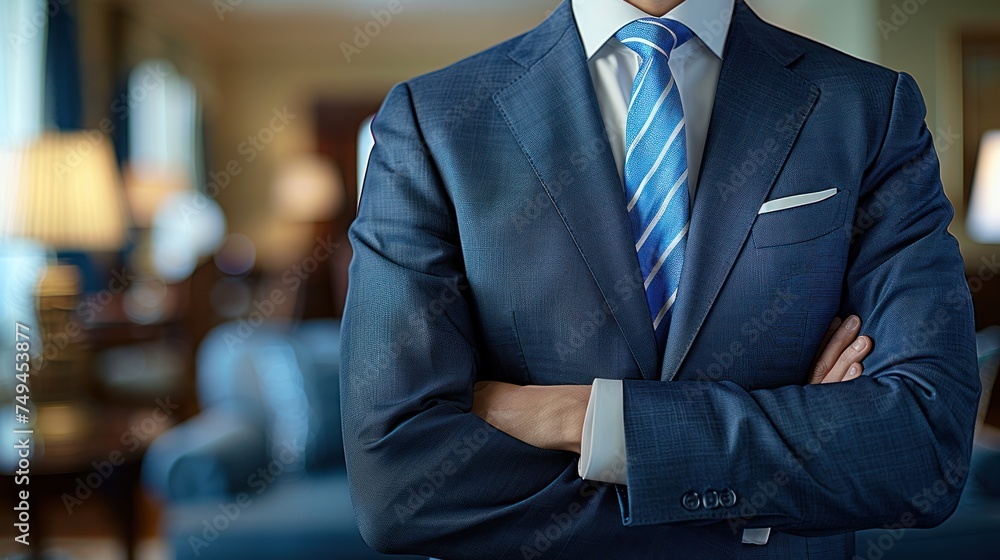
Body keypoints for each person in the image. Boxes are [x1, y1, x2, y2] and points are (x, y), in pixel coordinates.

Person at [340, 0, 980, 558]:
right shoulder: (433, 121)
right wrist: (775, 473)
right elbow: (396, 486)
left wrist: (589, 419)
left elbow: (926, 448)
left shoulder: (869, 109)